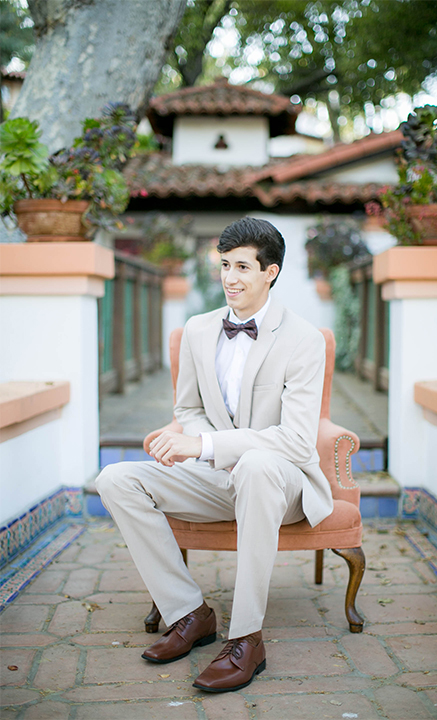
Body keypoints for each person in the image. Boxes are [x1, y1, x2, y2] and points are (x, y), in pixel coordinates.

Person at [95, 217, 334, 693]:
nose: (230, 277)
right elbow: (187, 407)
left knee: (260, 464)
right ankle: (189, 613)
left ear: (271, 272)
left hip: (280, 484)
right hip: (219, 477)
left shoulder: (304, 339)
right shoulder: (199, 329)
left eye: (242, 266)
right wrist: (199, 444)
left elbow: (296, 440)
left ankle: (247, 638)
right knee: (116, 479)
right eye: (224, 265)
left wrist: (202, 445)